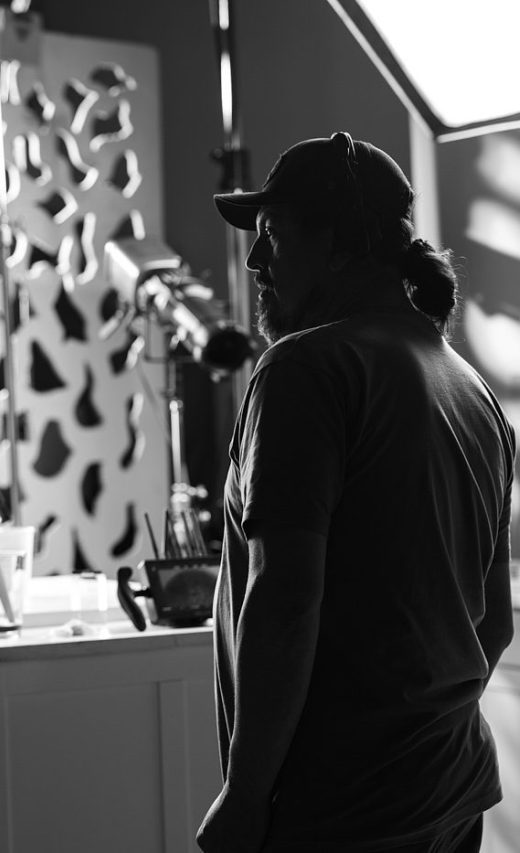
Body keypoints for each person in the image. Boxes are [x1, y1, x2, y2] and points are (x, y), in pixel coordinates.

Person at [198, 133, 515, 853]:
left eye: (273, 235)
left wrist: (245, 795)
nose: (255, 260)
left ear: (339, 244)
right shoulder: (471, 389)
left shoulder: (305, 369)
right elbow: (494, 622)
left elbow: (285, 598)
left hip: (342, 805)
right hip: (451, 783)